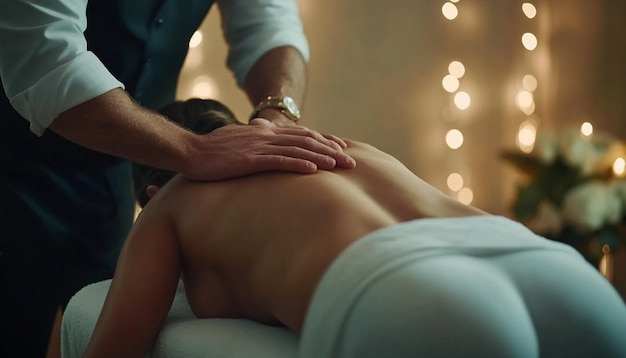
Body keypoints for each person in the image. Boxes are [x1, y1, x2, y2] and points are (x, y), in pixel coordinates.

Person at [83, 98, 626, 358]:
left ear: (150, 191)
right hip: (549, 268)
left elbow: (113, 352)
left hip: (412, 297)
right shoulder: (339, 146)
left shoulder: (170, 199)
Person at [0, 1, 356, 356]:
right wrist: (195, 152)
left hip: (115, 174)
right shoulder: (353, 154)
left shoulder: (169, 209)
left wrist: (276, 117)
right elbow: (46, 59)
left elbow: (270, 23)